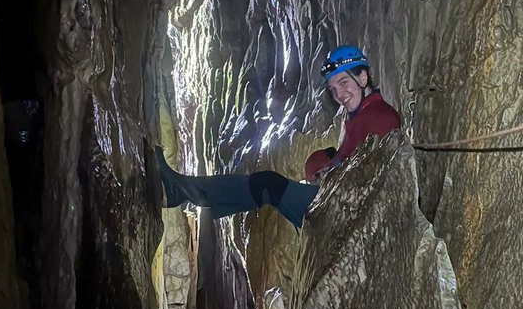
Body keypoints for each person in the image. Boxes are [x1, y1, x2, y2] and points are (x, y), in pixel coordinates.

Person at [155, 45, 402, 229]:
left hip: (346, 211)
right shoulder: (360, 117)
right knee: (274, 181)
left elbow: (370, 178)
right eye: (333, 88)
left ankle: (179, 191)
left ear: (363, 77)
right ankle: (182, 192)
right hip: (339, 204)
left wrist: (326, 169)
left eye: (344, 82)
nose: (339, 93)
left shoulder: (379, 116)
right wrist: (323, 164)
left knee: (268, 184)